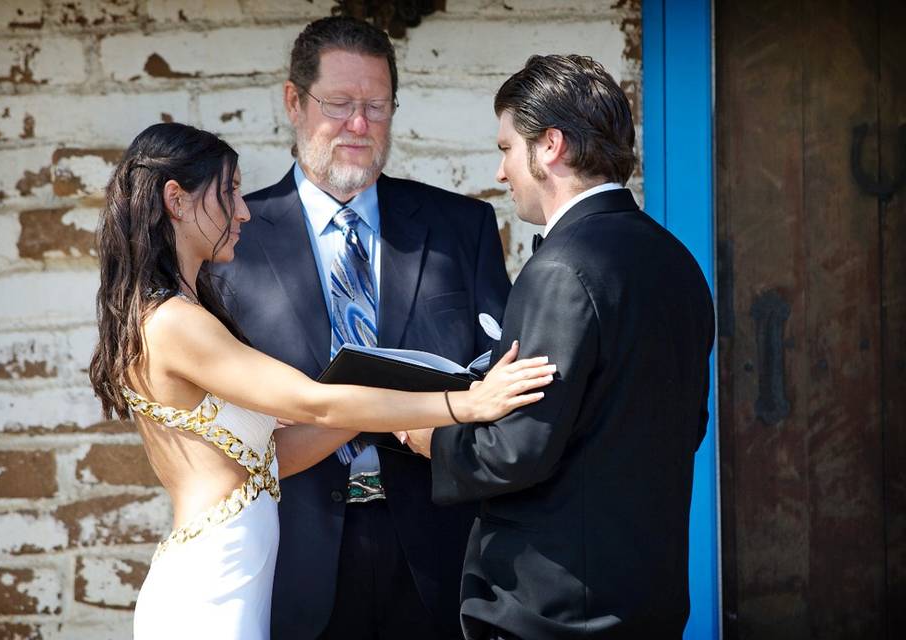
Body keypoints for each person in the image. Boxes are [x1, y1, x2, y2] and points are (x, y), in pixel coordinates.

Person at [88, 122, 553, 639]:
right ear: (176, 200)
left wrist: (386, 397)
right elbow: (316, 404)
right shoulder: (175, 321)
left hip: (235, 575)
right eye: (230, 192)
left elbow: (277, 454)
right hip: (212, 585)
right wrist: (464, 404)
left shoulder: (181, 311)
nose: (244, 210)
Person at [208, 16, 512, 640]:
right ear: (294, 102)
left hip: (439, 554)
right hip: (292, 557)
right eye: (340, 104)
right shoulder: (233, 240)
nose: (359, 125)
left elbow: (498, 372)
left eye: (376, 106)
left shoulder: (461, 227)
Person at [404, 55, 716, 639]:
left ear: (549, 146)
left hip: (554, 607)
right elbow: (686, 425)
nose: (501, 173)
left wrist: (429, 436)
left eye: (505, 149)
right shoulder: (677, 263)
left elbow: (517, 448)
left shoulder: (561, 270)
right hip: (650, 595)